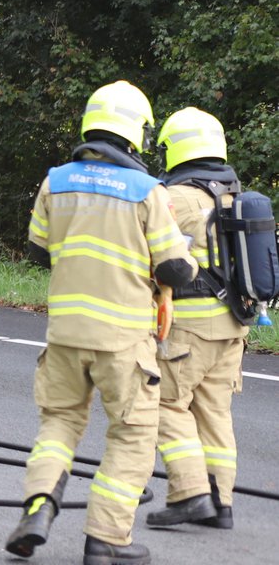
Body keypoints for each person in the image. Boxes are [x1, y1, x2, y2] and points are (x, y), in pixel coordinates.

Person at [5, 81, 197, 565]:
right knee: (132, 434)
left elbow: (38, 251)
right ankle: (106, 538)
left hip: (65, 334)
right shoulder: (148, 191)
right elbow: (175, 269)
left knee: (59, 423)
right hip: (124, 340)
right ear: (138, 133)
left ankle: (39, 505)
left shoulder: (55, 181)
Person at [145, 107, 245, 531]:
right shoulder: (235, 195)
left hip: (189, 326)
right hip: (233, 326)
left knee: (165, 404)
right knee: (214, 412)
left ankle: (190, 494)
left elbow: (157, 258)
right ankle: (221, 504)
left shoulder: (175, 197)